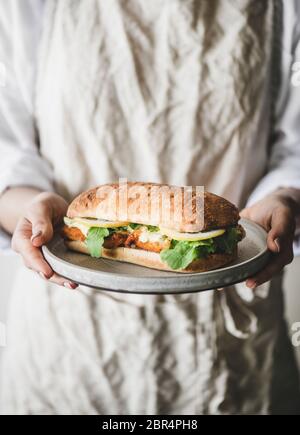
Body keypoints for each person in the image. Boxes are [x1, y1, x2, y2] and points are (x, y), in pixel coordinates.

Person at [0, 0, 300, 415]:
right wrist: (31, 209)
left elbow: (294, 148)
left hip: (233, 345)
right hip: (70, 338)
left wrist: (284, 197)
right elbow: (7, 153)